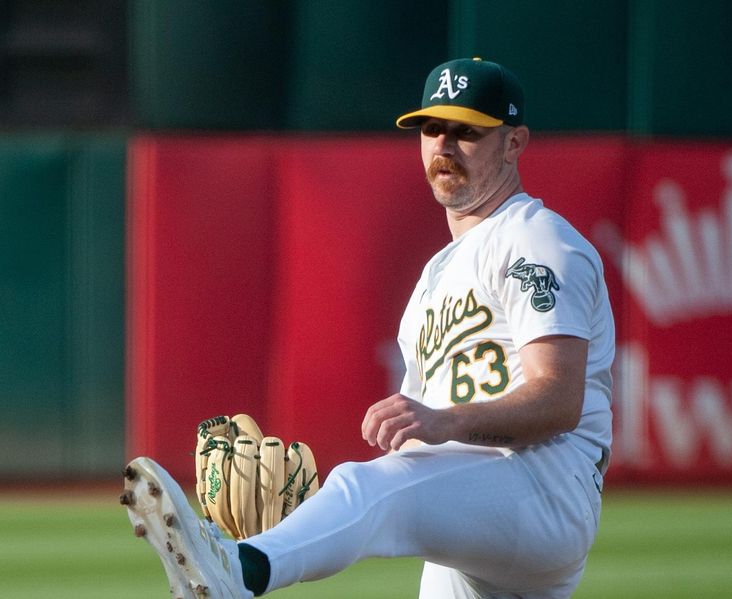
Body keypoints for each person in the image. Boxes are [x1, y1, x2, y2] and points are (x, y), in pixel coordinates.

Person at [124, 57, 615, 599]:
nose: (444, 146)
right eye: (432, 128)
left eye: (468, 131)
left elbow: (558, 399)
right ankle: (262, 556)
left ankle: (240, 572)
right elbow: (414, 455)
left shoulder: (536, 239)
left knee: (372, 484)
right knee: (381, 484)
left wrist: (441, 424)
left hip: (542, 486)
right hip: (478, 508)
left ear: (515, 142)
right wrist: (307, 526)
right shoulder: (435, 277)